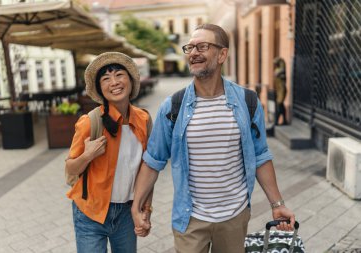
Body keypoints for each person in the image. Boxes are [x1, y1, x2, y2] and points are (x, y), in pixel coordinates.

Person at [132, 24, 295, 253]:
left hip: (235, 217)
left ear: (222, 54)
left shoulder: (248, 102)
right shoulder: (172, 107)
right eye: (189, 47)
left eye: (202, 46)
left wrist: (277, 205)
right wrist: (137, 206)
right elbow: (153, 160)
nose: (193, 53)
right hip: (190, 218)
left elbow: (260, 155)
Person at [65, 52, 153, 253]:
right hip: (90, 213)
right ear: (100, 88)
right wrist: (87, 155)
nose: (114, 82)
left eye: (119, 75)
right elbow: (70, 168)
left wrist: (145, 209)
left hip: (126, 213)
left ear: (130, 80)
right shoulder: (90, 122)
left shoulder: (144, 120)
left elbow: (148, 170)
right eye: (106, 78)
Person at [274, 57, 287, 125]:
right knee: (281, 105)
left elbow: (277, 73)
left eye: (276, 63)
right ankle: (284, 120)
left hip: (282, 90)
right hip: (279, 91)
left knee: (279, 105)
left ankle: (276, 121)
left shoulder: (281, 71)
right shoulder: (277, 70)